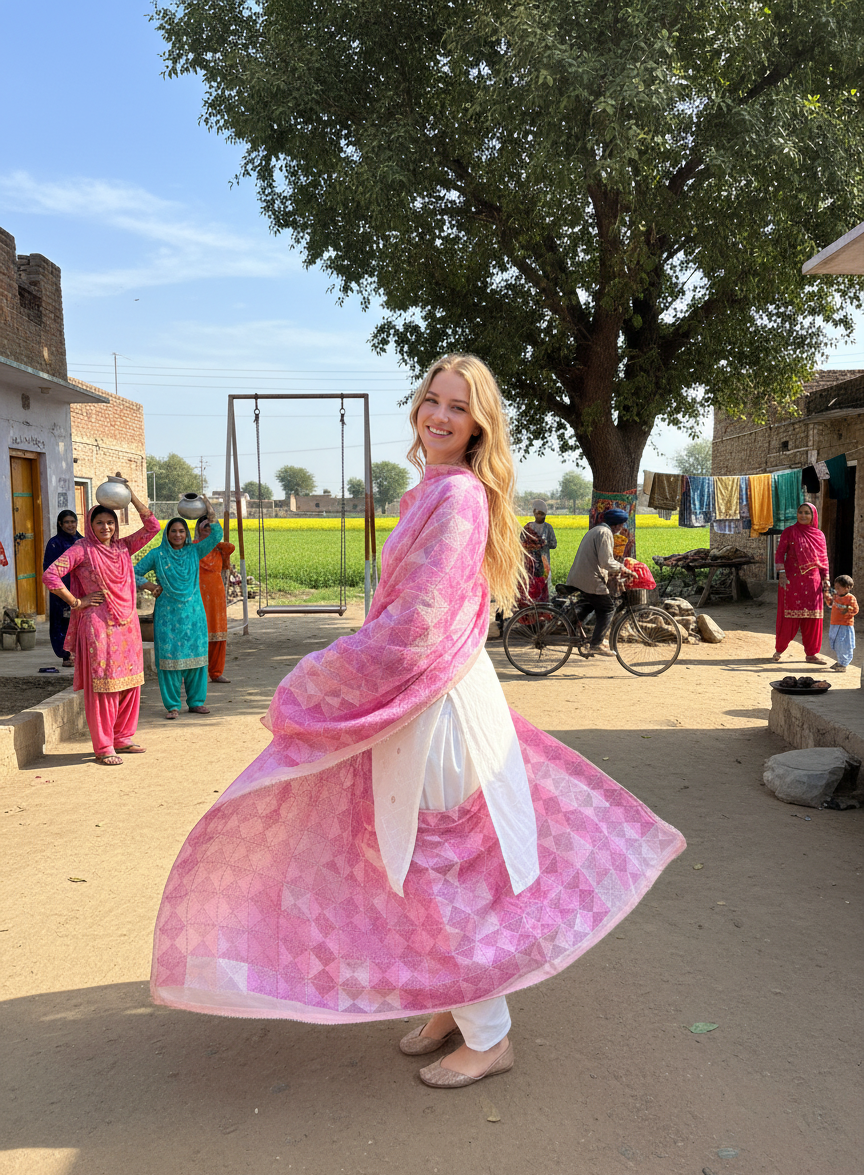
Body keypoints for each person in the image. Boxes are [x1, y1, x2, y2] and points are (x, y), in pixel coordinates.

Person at [150, 354, 685, 1090]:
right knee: (409, 859)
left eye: (456, 407)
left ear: (478, 425)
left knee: (437, 866)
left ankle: (490, 1033)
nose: (437, 415)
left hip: (436, 707)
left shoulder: (459, 499)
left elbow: (415, 627)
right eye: (431, 399)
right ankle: (449, 1004)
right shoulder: (431, 491)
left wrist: (316, 679)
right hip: (423, 699)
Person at [42, 484, 159, 766]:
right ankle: (104, 745)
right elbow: (50, 576)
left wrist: (130, 496)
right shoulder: (82, 549)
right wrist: (76, 601)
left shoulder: (123, 546)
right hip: (98, 625)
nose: (105, 527)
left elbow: (153, 526)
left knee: (130, 684)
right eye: (99, 523)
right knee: (104, 686)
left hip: (126, 623)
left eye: (110, 522)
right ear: (90, 525)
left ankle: (122, 737)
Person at [134, 500, 224, 719]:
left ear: (186, 533)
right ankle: (172, 706)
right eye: (173, 531)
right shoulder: (157, 554)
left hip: (194, 615)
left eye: (181, 531)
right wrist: (150, 586)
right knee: (169, 661)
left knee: (197, 659)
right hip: (167, 616)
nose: (177, 535)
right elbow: (134, 572)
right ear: (167, 534)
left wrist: (210, 512)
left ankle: (196, 702)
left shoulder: (195, 551)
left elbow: (216, 535)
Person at [565, 507, 633, 656]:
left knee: (591, 604)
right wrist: (623, 569)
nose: (621, 528)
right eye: (621, 525)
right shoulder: (605, 533)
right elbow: (606, 562)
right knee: (608, 607)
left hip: (581, 576)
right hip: (590, 578)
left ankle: (571, 625)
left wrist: (616, 570)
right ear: (616, 524)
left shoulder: (596, 530)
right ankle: (596, 644)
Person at [772, 503, 831, 665]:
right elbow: (779, 554)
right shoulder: (789, 532)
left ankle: (812, 654)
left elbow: (824, 562)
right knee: (789, 616)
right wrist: (782, 574)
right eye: (800, 512)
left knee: (813, 619)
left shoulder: (819, 535)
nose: (803, 515)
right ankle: (779, 649)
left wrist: (826, 583)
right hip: (792, 581)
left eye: (807, 513)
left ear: (813, 516)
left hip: (813, 583)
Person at [195, 516, 235, 683]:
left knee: (218, 633)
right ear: (198, 530)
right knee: (199, 632)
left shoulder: (219, 549)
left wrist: (215, 540)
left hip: (217, 595)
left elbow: (230, 547)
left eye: (211, 528)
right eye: (205, 527)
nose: (208, 531)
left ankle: (216, 672)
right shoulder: (193, 547)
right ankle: (197, 673)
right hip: (198, 594)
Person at [43, 510, 83, 666]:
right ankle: (66, 655)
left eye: (73, 521)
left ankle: (80, 654)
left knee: (81, 622)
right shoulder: (54, 543)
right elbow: (49, 569)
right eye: (67, 522)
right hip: (62, 592)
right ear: (60, 524)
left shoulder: (82, 541)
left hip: (81, 590)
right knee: (63, 622)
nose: (71, 525)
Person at [826, 575, 858, 673]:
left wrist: (846, 611)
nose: (836, 590)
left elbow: (855, 610)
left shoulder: (850, 598)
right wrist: (827, 596)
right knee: (837, 643)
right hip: (835, 623)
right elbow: (830, 604)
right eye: (835, 587)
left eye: (838, 588)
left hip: (845, 625)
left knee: (844, 644)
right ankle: (840, 661)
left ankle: (843, 663)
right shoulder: (836, 596)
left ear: (847, 588)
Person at [530, 499, 557, 596]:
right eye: (538, 513)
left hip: (544, 563)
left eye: (542, 514)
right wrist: (532, 544)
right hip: (531, 564)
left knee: (545, 588)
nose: (540, 516)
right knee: (532, 588)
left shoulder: (548, 528)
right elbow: (521, 544)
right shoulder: (529, 527)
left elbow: (554, 544)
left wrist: (544, 543)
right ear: (534, 513)